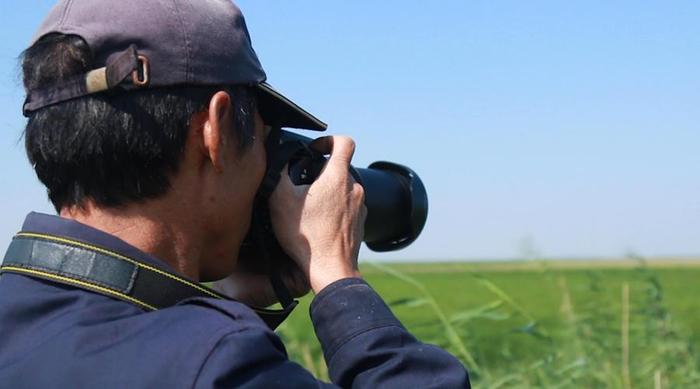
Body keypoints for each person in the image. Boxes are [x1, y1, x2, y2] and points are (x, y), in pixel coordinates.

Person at [0, 0, 470, 387]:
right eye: (265, 137)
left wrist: (225, 304)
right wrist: (336, 275)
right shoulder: (217, 363)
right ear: (216, 130)